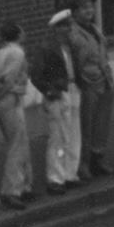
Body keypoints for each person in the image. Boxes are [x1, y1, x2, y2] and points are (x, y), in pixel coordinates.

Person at [0, 21, 33, 209]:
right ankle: (11, 191)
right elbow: (7, 81)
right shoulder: (17, 53)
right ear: (18, 34)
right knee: (16, 145)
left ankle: (24, 185)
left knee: (20, 142)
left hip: (0, 101)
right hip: (9, 99)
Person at [67, 0, 114, 177]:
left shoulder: (94, 28)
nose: (89, 10)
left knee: (101, 123)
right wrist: (81, 80)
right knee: (86, 125)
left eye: (90, 6)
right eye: (84, 7)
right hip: (87, 84)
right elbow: (74, 61)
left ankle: (98, 158)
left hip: (105, 81)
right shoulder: (73, 32)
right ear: (74, 12)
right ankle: (83, 163)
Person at [34, 12, 81, 195]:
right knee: (58, 138)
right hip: (58, 93)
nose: (68, 29)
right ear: (56, 28)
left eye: (69, 25)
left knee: (73, 135)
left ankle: (70, 173)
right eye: (64, 26)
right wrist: (48, 90)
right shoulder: (46, 48)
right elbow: (36, 74)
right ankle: (55, 178)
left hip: (73, 89)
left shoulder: (71, 46)